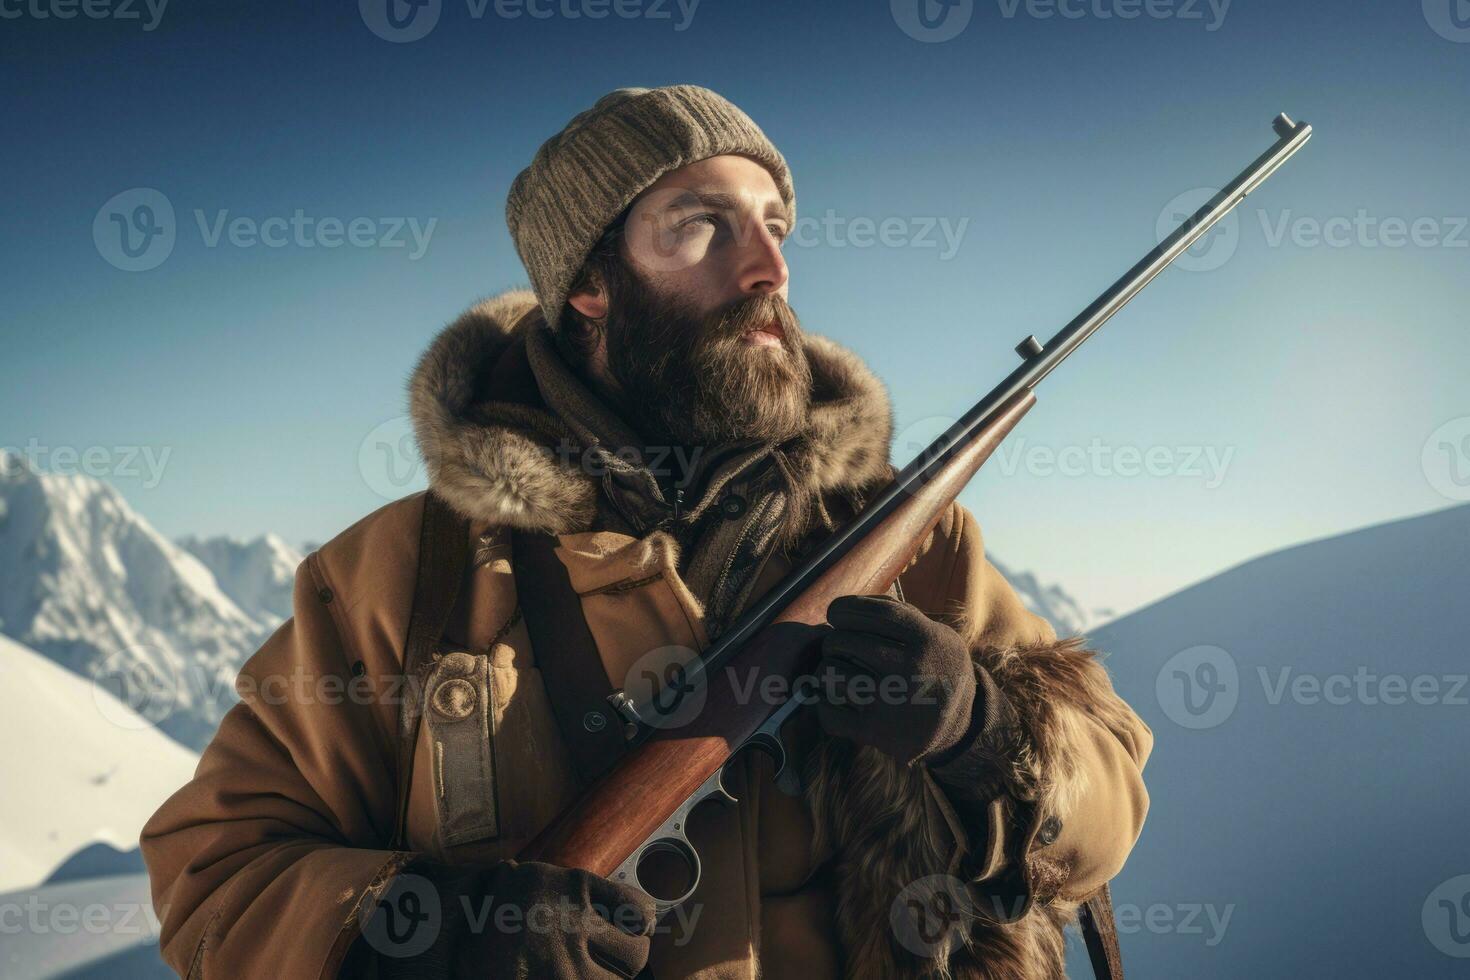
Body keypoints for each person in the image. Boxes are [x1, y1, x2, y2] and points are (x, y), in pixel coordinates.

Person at [141, 84, 1151, 979]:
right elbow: (214, 873)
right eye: (701, 225)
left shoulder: (914, 542)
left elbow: (1112, 811)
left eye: (775, 225)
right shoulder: (396, 578)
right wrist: (431, 930)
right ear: (589, 281)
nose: (767, 268)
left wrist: (987, 732)